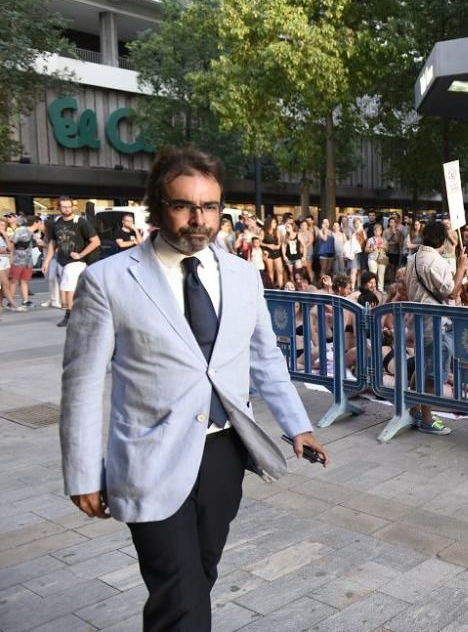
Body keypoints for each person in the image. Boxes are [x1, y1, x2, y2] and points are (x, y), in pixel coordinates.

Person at [59, 145, 329, 630]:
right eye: (183, 205)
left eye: (209, 207)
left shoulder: (243, 276)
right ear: (157, 207)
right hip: (150, 458)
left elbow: (264, 357)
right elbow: (80, 384)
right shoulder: (109, 281)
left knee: (195, 578)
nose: (198, 219)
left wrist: (298, 426)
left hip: (225, 455)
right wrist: (82, 473)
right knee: (180, 588)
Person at [406, 220, 468, 435]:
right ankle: (427, 418)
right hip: (436, 323)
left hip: (420, 319)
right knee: (433, 372)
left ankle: (414, 407)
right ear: (442, 239)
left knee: (422, 365)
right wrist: (461, 269)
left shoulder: (413, 258)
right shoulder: (436, 261)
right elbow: (451, 292)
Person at [42, 196, 100, 327]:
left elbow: (96, 241)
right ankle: (79, 314)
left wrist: (81, 254)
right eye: (64, 207)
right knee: (69, 289)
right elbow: (53, 242)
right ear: (59, 208)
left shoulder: (80, 222)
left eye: (69, 206)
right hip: (62, 260)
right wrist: (46, 261)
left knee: (68, 289)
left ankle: (70, 316)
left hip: (75, 262)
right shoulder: (57, 223)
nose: (67, 209)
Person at [10, 215, 40, 309]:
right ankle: (11, 302)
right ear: (35, 223)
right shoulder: (21, 230)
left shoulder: (33, 233)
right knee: (14, 280)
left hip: (28, 261)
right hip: (17, 260)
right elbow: (12, 242)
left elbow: (39, 242)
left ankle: (25, 301)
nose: (41, 224)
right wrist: (11, 257)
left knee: (25, 281)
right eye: (40, 223)